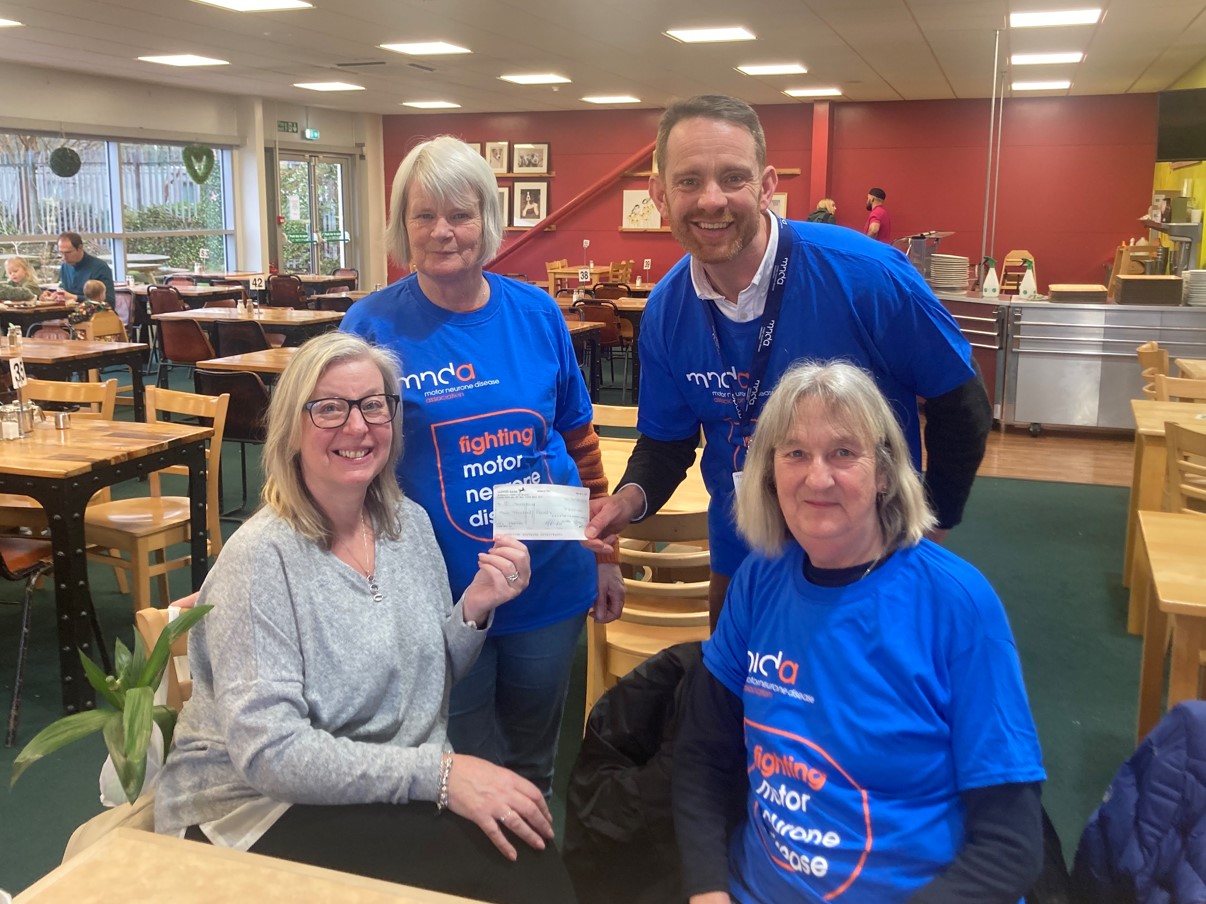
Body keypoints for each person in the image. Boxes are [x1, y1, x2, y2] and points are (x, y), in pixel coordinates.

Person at [154, 332, 577, 903]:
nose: (357, 427)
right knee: (516, 870)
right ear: (291, 429)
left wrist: (474, 608)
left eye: (373, 404)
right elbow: (270, 755)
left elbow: (425, 678)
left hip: (378, 777)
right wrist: (443, 778)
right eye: (329, 407)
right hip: (251, 808)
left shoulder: (407, 525)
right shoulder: (262, 557)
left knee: (525, 849)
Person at [583, 94, 991, 629]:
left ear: (767, 186)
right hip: (743, 559)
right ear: (659, 194)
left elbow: (962, 403)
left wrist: (932, 522)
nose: (711, 200)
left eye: (733, 178)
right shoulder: (666, 309)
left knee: (862, 709)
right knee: (738, 706)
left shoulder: (867, 277)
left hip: (868, 559)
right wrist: (628, 501)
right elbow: (667, 442)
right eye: (688, 181)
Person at [673, 361, 1046, 903]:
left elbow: (1010, 844)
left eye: (843, 453)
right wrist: (707, 890)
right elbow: (702, 756)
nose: (816, 477)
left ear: (886, 473)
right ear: (770, 473)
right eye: (795, 453)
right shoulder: (760, 579)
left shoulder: (956, 604)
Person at [342, 136, 623, 799]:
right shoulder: (372, 324)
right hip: (435, 591)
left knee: (532, 764)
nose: (444, 232)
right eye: (424, 216)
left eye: (461, 215)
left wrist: (606, 555)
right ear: (401, 227)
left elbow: (579, 440)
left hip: (548, 579)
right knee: (460, 766)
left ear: (487, 222)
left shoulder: (536, 312)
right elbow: (345, 460)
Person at [51, 231, 115, 304]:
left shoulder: (100, 267)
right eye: (61, 253)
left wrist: (75, 298)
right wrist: (54, 295)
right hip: (71, 312)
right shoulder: (65, 267)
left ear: (80, 248)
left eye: (68, 253)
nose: (64, 257)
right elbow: (63, 290)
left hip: (95, 313)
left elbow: (109, 302)